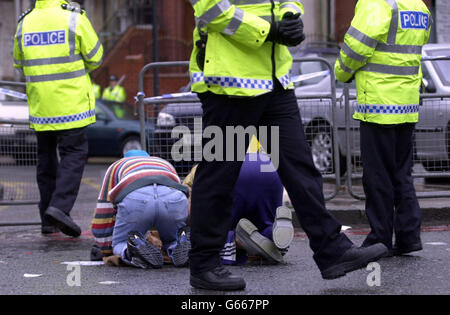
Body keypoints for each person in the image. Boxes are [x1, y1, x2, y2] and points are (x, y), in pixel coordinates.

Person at [187, 0, 388, 290]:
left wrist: (292, 17)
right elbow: (211, 9)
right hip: (230, 84)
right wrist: (269, 31)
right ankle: (204, 264)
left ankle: (332, 250)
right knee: (219, 176)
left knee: (301, 169)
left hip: (275, 83)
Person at [335, 0, 431, 255]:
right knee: (402, 174)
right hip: (407, 104)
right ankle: (409, 236)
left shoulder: (376, 4)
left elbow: (355, 47)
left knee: (377, 176)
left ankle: (380, 238)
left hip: (379, 103)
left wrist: (341, 72)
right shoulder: (418, 6)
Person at [13, 0, 103, 237]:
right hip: (71, 105)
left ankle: (47, 220)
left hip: (42, 107)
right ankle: (60, 208)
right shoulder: (73, 17)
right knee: (74, 154)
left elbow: (18, 62)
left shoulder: (25, 21)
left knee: (46, 161)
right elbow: (95, 56)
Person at [183, 138, 294, 266]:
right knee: (266, 222)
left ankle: (236, 240)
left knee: (220, 227)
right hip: (271, 170)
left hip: (236, 173)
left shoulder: (211, 157)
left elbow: (188, 196)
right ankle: (272, 235)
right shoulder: (258, 140)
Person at [90, 150, 191, 268]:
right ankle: (180, 243)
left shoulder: (116, 165)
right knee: (172, 239)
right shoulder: (164, 163)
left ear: (124, 158)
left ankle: (132, 250)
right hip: (173, 198)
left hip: (136, 198)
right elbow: (178, 191)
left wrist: (105, 247)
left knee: (119, 244)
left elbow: (104, 210)